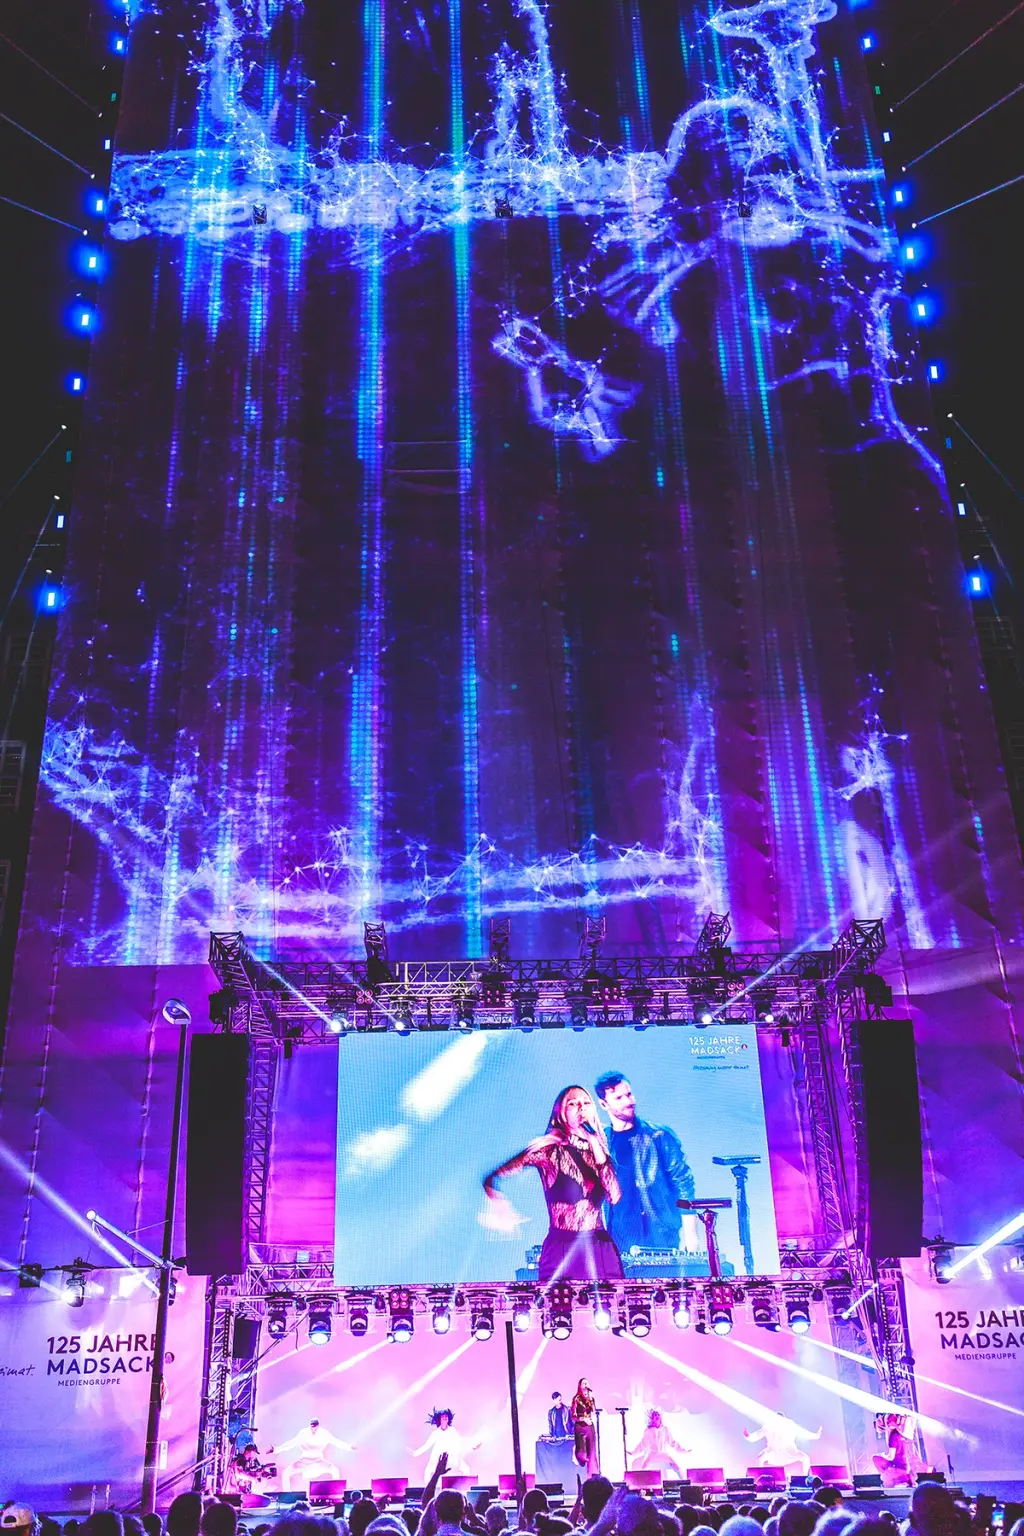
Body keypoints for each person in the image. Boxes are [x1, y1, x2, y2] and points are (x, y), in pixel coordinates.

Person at [482, 1086, 622, 1282]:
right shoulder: (549, 1150)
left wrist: (596, 1146)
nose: (580, 1107)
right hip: (563, 1247)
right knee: (560, 1310)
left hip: (599, 1246)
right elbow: (494, 1176)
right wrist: (498, 1202)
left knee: (613, 1308)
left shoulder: (600, 1152)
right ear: (561, 1112)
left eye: (586, 1103)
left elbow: (614, 1196)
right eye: (573, 1103)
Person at [593, 1074, 696, 1255]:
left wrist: (691, 1235)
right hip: (619, 1240)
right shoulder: (601, 1143)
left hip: (661, 1237)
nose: (628, 1101)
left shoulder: (659, 1136)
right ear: (603, 1105)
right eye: (619, 1097)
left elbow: (684, 1185)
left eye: (629, 1094)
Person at [270, 1417, 355, 1490]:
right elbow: (291, 1443)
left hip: (318, 1461)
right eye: (312, 1426)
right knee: (286, 1473)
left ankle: (336, 1492)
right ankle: (286, 1494)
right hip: (304, 1461)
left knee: (335, 1470)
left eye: (315, 1426)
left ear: (318, 1425)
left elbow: (336, 1442)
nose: (313, 1429)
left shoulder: (324, 1434)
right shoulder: (303, 1433)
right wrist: (275, 1450)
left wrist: (349, 1447)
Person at [743, 1413, 822, 1476]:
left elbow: (804, 1433)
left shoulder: (791, 1426)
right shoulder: (768, 1427)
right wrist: (748, 1436)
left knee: (805, 1458)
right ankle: (760, 1478)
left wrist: (815, 1436)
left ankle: (807, 1479)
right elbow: (757, 1435)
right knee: (760, 1458)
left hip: (789, 1452)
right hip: (773, 1452)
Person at [411, 1408, 478, 1482]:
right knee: (428, 1472)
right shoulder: (435, 1433)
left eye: (446, 1417)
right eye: (443, 1417)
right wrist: (415, 1453)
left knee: (466, 1469)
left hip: (450, 1457)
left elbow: (459, 1442)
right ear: (439, 1420)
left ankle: (466, 1487)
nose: (445, 1418)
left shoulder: (452, 1431)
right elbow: (427, 1445)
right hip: (437, 1458)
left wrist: (472, 1447)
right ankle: (427, 1491)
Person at [872, 1414, 928, 1487]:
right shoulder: (900, 1434)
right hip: (905, 1467)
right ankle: (905, 1478)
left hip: (898, 1467)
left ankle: (894, 1479)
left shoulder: (893, 1436)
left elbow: (891, 1457)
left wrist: (883, 1455)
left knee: (875, 1458)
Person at [630, 1409, 690, 1477]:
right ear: (651, 1419)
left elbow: (672, 1443)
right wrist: (634, 1452)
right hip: (652, 1454)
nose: (657, 1417)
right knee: (643, 1467)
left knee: (676, 1467)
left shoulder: (665, 1430)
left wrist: (682, 1451)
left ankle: (684, 1480)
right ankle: (640, 1481)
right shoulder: (648, 1431)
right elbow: (642, 1444)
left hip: (663, 1454)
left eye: (658, 1415)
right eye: (655, 1416)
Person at [571, 1379, 600, 1478]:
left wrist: (591, 1399)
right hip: (580, 1427)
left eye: (587, 1382)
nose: (586, 1384)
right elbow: (573, 1416)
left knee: (592, 1454)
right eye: (584, 1383)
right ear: (580, 1386)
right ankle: (578, 1456)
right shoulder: (576, 1399)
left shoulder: (591, 1399)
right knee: (582, 1454)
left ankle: (593, 1478)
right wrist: (583, 1419)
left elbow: (594, 1411)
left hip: (589, 1427)